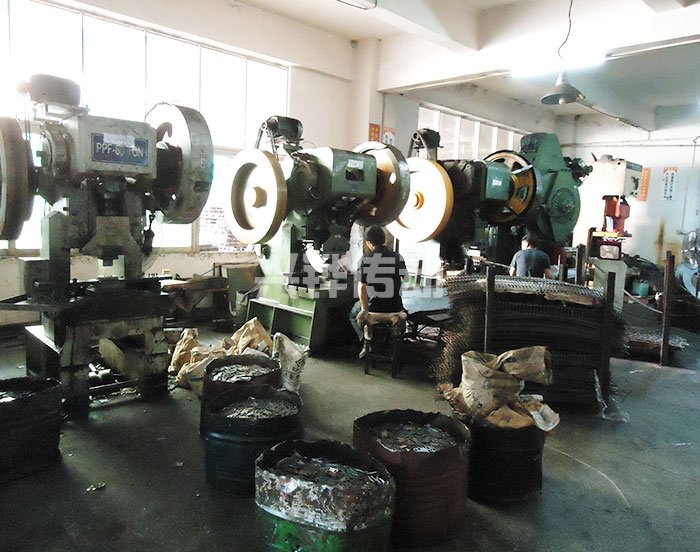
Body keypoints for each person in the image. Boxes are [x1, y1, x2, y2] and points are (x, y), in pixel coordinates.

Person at [349, 226, 407, 359]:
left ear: (369, 243)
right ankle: (384, 342)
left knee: (353, 314)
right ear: (383, 239)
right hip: (396, 307)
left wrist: (364, 309)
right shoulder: (398, 257)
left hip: (374, 308)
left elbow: (362, 287)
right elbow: (403, 278)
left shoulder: (366, 259)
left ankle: (368, 342)